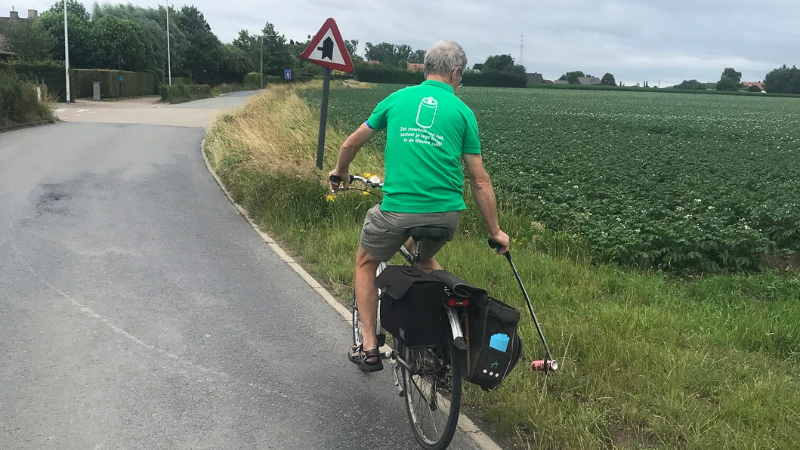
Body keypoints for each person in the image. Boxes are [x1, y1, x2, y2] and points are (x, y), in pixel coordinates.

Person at [328, 40, 510, 372]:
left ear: (426, 68)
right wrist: (496, 231)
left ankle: (369, 347)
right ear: (455, 72)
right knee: (423, 256)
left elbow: (350, 142)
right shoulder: (463, 112)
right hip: (446, 214)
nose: (460, 82)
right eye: (462, 77)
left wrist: (339, 172)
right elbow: (479, 180)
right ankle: (441, 328)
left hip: (398, 210)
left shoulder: (397, 99)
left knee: (366, 262)